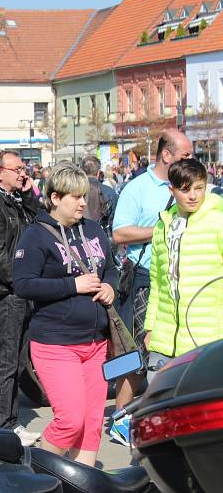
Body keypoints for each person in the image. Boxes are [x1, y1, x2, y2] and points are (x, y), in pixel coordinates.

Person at [13, 161, 118, 467]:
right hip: (57, 343)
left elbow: (110, 268)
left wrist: (111, 286)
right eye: (75, 197)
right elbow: (23, 284)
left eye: (84, 196)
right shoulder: (36, 235)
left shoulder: (94, 229)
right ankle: (35, 475)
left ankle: (82, 482)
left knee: (91, 422)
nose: (83, 203)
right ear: (55, 198)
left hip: (96, 343)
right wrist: (73, 285)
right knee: (71, 420)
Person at [109, 129, 193, 445]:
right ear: (166, 155)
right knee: (137, 354)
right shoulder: (138, 188)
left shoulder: (189, 184)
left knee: (172, 354)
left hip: (180, 281)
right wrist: (161, 227)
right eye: (185, 155)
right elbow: (119, 234)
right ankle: (120, 419)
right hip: (144, 279)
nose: (191, 160)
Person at [0, 150, 41, 446]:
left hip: (19, 290)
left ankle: (10, 421)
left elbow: (36, 224)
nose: (22, 173)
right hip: (6, 293)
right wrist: (20, 282)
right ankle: (2, 424)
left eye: (24, 169)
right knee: (5, 360)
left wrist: (28, 195)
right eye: (17, 169)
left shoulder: (12, 200)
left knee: (16, 358)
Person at [144, 159, 223, 377]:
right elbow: (158, 282)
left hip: (208, 337)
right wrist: (150, 327)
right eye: (185, 189)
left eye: (199, 188)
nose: (193, 196)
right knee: (161, 402)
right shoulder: (163, 225)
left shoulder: (218, 221)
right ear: (172, 190)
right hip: (165, 336)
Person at [80, 156, 117, 234]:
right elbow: (113, 218)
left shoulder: (74, 191)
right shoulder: (109, 191)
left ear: (82, 172)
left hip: (80, 234)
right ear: (99, 173)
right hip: (103, 234)